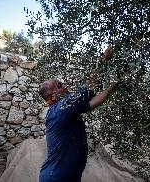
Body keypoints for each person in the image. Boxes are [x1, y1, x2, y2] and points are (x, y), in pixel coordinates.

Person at [38, 47, 118, 182]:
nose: (65, 87)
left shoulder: (67, 110)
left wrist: (113, 86)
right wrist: (104, 59)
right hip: (55, 178)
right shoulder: (60, 109)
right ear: (52, 97)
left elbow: (92, 103)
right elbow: (89, 87)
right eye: (59, 86)